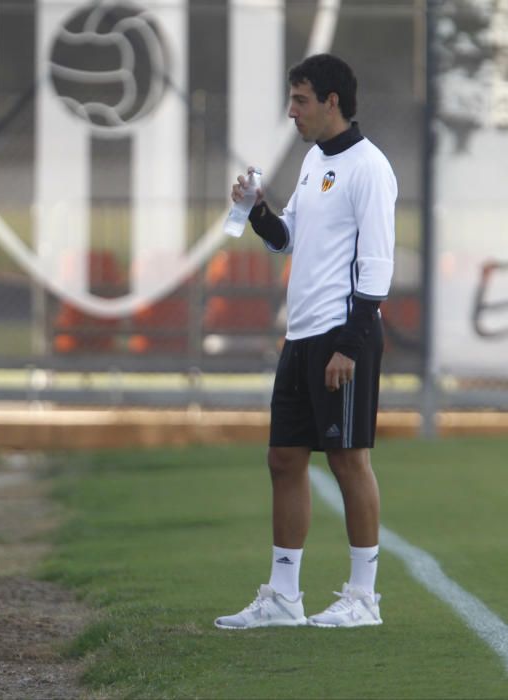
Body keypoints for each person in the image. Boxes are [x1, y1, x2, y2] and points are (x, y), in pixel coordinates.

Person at [214, 54, 397, 629]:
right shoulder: (316, 159)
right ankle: (284, 597)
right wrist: (256, 210)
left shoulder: (370, 167)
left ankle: (363, 599)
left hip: (344, 336)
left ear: (330, 102)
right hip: (301, 334)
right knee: (284, 458)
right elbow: (287, 237)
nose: (291, 111)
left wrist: (350, 344)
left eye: (300, 100)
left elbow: (377, 265)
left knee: (348, 460)